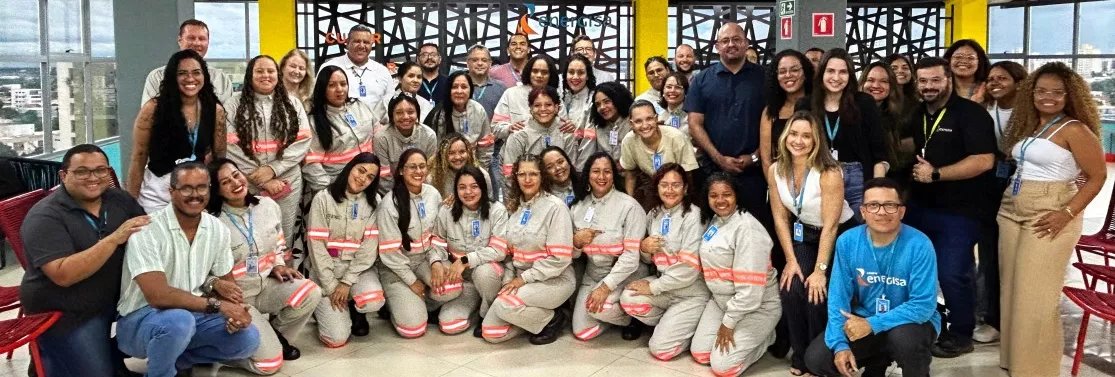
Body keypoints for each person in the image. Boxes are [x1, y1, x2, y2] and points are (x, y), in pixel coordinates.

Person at [998, 62, 1105, 377]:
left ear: (1069, 96)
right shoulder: (1031, 125)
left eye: (1057, 92)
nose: (1048, 97)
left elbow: (1097, 177)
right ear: (1031, 93)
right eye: (1042, 90)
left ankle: (1036, 370)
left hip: (1050, 211)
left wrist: (1067, 213)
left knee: (1036, 296)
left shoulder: (1074, 129)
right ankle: (1015, 361)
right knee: (1012, 290)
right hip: (1012, 208)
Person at [115, 162, 260, 377]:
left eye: (202, 187)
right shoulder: (146, 229)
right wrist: (219, 306)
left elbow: (226, 283)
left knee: (248, 340)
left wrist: (235, 315)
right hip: (140, 320)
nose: (195, 195)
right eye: (186, 188)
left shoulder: (216, 229)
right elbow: (158, 296)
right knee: (179, 321)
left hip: (193, 316)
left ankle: (175, 359)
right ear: (171, 191)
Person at [19, 145, 148, 377]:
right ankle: (51, 355)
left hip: (117, 299)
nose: (93, 178)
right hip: (66, 311)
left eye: (100, 170)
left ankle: (108, 353)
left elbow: (148, 233)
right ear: (63, 175)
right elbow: (62, 274)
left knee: (178, 315)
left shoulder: (117, 198)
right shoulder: (45, 216)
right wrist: (113, 239)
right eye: (82, 172)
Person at [905, 56, 996, 358]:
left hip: (960, 211)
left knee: (952, 272)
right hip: (919, 208)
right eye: (923, 81)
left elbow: (984, 160)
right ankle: (929, 323)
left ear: (948, 80)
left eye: (935, 80)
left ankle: (961, 332)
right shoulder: (917, 114)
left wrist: (936, 174)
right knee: (918, 272)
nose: (929, 86)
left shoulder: (971, 114)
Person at [803, 178, 941, 377]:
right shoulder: (848, 241)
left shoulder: (920, 244)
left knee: (904, 340)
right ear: (863, 212)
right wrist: (840, 345)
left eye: (890, 205)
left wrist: (872, 324)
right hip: (865, 319)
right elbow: (838, 298)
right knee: (817, 359)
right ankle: (878, 358)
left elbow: (923, 305)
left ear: (901, 211)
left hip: (911, 323)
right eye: (873, 205)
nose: (881, 212)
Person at [207, 159, 322, 373]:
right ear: (217, 191)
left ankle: (276, 334)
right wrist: (215, 284)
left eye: (236, 174)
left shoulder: (267, 205)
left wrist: (278, 265)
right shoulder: (212, 223)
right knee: (269, 365)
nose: (235, 182)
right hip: (238, 299)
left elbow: (278, 242)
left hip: (266, 287)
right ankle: (220, 355)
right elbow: (200, 272)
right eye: (225, 182)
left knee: (310, 291)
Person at [766, 111, 854, 376]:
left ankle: (819, 359)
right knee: (791, 287)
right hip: (804, 233)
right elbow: (781, 220)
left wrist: (820, 270)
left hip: (838, 235)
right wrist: (792, 261)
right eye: (794, 134)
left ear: (816, 141)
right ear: (785, 136)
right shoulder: (776, 169)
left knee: (817, 292)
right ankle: (800, 354)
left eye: (806, 136)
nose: (798, 140)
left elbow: (831, 225)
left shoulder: (829, 172)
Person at [478, 154, 575, 345]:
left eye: (533, 174)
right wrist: (508, 281)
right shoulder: (515, 209)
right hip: (521, 280)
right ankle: (540, 318)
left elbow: (559, 259)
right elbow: (510, 256)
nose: (527, 179)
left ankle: (554, 319)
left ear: (542, 177)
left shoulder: (555, 208)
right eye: (522, 174)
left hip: (555, 279)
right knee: (491, 333)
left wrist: (521, 279)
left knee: (504, 305)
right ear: (515, 177)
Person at [689, 173, 780, 377]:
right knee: (700, 354)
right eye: (714, 196)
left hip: (756, 306)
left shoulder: (748, 229)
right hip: (723, 301)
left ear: (736, 195)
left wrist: (729, 322)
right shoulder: (716, 220)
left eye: (726, 194)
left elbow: (751, 291)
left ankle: (767, 337)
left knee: (722, 367)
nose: (720, 201)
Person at [619, 163, 709, 360]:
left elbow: (688, 269)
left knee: (660, 350)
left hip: (690, 292)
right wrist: (644, 248)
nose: (669, 190)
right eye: (664, 185)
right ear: (657, 187)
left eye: (676, 185)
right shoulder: (653, 214)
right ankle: (672, 323)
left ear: (685, 188)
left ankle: (686, 328)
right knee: (628, 298)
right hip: (665, 287)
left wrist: (653, 287)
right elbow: (648, 258)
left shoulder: (694, 216)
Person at [225, 55, 312, 252]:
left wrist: (274, 169)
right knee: (252, 234)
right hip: (247, 181)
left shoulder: (293, 104)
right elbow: (230, 146)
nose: (266, 75)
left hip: (286, 181)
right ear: (250, 75)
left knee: (284, 234)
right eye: (260, 71)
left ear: (278, 74)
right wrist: (262, 179)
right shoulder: (233, 104)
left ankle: (283, 274)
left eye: (270, 71)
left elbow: (303, 140)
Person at [127, 49, 227, 214]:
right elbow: (138, 157)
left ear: (204, 77)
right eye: (182, 73)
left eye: (196, 73)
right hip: (157, 193)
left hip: (197, 192)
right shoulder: (153, 109)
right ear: (173, 77)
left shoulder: (215, 111)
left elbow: (219, 157)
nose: (190, 78)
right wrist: (130, 205)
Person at [796, 48, 889, 223]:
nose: (836, 78)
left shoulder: (864, 103)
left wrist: (876, 192)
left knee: (855, 233)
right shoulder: (806, 105)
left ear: (850, 75)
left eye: (843, 72)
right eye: (831, 71)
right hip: (819, 176)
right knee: (824, 231)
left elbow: (879, 153)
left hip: (857, 180)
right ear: (822, 73)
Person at [377, 149, 463, 338]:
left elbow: (437, 235)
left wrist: (436, 262)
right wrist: (413, 281)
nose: (418, 171)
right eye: (412, 167)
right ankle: (396, 305)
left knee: (453, 287)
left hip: (425, 260)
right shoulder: (389, 204)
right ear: (401, 170)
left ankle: (422, 303)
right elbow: (390, 254)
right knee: (413, 329)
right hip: (397, 269)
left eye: (422, 166)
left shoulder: (432, 193)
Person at [306, 153, 386, 347]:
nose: (362, 178)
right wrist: (332, 286)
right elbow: (316, 247)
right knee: (336, 339)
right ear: (350, 167)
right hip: (327, 270)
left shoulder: (374, 200)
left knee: (373, 301)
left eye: (370, 177)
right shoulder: (323, 198)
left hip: (358, 270)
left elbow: (368, 248)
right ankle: (326, 311)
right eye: (361, 170)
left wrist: (347, 282)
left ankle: (354, 306)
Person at [568, 152, 649, 341]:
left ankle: (632, 318)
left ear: (614, 175)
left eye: (607, 171)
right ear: (588, 174)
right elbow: (571, 254)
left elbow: (631, 258)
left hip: (626, 274)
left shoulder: (629, 206)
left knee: (601, 308)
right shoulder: (578, 206)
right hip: (593, 273)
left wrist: (605, 288)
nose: (601, 177)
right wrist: (577, 242)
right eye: (596, 171)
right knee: (583, 332)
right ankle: (615, 314)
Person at [974, 60, 1027, 345]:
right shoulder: (986, 109)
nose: (994, 83)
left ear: (1019, 82)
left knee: (1019, 257)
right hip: (991, 186)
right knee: (990, 253)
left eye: (1002, 78)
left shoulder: (1030, 113)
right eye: (991, 78)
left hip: (1023, 187)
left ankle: (1016, 316)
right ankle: (991, 316)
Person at [430, 166, 510, 337]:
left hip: (488, 274)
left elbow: (499, 250)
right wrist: (436, 261)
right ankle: (472, 303)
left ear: (483, 187)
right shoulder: (447, 210)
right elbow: (437, 242)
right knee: (450, 325)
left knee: (484, 273)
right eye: (462, 187)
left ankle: (487, 312)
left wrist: (465, 260)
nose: (468, 192)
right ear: (455, 190)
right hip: (461, 278)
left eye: (474, 186)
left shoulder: (497, 210)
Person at [303, 66, 378, 192]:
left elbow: (379, 137)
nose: (339, 90)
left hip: (368, 180)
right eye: (332, 85)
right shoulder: (314, 121)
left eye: (343, 84)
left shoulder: (360, 106)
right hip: (337, 184)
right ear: (322, 89)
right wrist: (330, 189)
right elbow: (311, 165)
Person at [620, 100, 698, 207]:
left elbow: (689, 175)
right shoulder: (629, 141)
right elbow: (630, 174)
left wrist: (686, 201)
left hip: (679, 188)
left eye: (649, 119)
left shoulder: (676, 138)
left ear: (656, 119)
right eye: (638, 121)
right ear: (631, 124)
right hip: (651, 186)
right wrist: (628, 203)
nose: (645, 125)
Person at [141, 19, 234, 105]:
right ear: (179, 40)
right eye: (191, 38)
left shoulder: (221, 79)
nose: (197, 43)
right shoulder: (157, 77)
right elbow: (148, 118)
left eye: (202, 39)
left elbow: (227, 118)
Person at [499, 87, 575, 185]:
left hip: (559, 189)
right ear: (530, 109)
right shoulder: (519, 135)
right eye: (537, 105)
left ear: (557, 108)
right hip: (527, 190)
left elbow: (570, 170)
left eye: (548, 105)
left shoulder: (566, 131)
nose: (543, 109)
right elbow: (510, 176)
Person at [760, 49, 814, 178]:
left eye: (795, 70)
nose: (788, 75)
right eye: (782, 72)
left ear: (805, 73)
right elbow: (766, 159)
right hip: (782, 181)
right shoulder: (771, 112)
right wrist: (777, 189)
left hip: (817, 181)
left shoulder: (818, 106)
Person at [426, 71, 495, 169]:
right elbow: (433, 150)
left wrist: (480, 169)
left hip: (473, 167)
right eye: (454, 87)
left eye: (464, 87)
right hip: (444, 168)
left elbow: (486, 144)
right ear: (449, 90)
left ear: (470, 90)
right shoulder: (439, 113)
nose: (459, 91)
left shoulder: (478, 109)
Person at [859, 62, 913, 184]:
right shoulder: (850, 114)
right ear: (862, 83)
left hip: (890, 182)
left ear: (891, 86)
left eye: (884, 81)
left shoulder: (901, 115)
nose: (876, 85)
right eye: (871, 80)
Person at [374, 95, 438, 195]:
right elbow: (384, 177)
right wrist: (400, 197)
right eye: (399, 113)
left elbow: (429, 172)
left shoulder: (429, 135)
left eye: (410, 112)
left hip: (421, 190)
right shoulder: (382, 138)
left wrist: (419, 194)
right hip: (390, 191)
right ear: (391, 115)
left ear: (417, 113)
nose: (405, 117)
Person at [318, 25, 393, 108]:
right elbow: (318, 100)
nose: (361, 46)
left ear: (371, 44)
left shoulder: (382, 71)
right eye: (357, 41)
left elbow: (391, 104)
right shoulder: (329, 67)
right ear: (347, 43)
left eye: (366, 42)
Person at [572, 82, 634, 168]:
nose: (602, 107)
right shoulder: (597, 127)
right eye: (598, 104)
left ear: (618, 100)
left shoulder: (633, 123)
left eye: (607, 101)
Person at [428, 133, 493, 199]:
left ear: (469, 152)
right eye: (451, 153)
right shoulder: (433, 179)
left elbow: (488, 204)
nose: (458, 157)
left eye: (462, 152)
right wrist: (444, 206)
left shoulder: (483, 176)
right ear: (443, 155)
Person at [372, 61, 434, 126]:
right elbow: (374, 125)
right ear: (400, 79)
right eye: (411, 76)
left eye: (419, 77)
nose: (416, 80)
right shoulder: (386, 101)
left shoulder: (426, 105)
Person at [560, 54, 597, 145]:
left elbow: (595, 136)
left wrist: (576, 131)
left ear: (588, 76)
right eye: (571, 72)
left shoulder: (594, 101)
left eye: (581, 73)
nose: (575, 77)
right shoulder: (561, 97)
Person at [466, 44, 508, 117]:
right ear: (467, 63)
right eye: (475, 60)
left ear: (490, 64)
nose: (480, 63)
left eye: (484, 60)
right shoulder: (459, 87)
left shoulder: (501, 88)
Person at [944, 39, 991, 104]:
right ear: (949, 60)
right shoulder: (940, 88)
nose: (963, 61)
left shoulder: (989, 89)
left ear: (980, 62)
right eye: (958, 57)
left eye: (970, 58)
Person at [658, 72, 691, 137]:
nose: (672, 90)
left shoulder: (692, 115)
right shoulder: (657, 113)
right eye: (669, 87)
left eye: (678, 87)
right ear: (663, 90)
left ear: (685, 91)